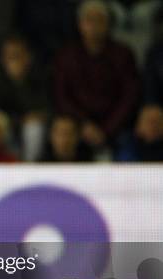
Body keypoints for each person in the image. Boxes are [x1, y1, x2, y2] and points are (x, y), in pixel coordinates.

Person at [54, 0, 139, 160]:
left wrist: (107, 129)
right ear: (80, 24)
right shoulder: (66, 55)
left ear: (108, 24)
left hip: (115, 125)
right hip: (78, 124)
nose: (94, 26)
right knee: (63, 132)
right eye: (89, 20)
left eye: (99, 20)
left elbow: (129, 96)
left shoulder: (123, 54)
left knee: (128, 140)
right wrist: (84, 124)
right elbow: (62, 96)